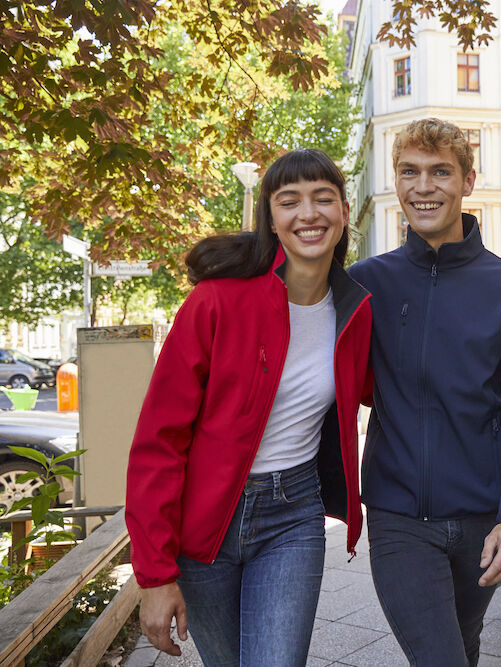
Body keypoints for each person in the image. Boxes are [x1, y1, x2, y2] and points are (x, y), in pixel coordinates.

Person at [125, 149, 372, 666]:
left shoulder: (356, 311)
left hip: (294, 515)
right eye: (290, 202)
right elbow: (158, 442)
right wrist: (154, 574)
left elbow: (401, 389)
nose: (308, 214)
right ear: (272, 219)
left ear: (344, 213)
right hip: (206, 524)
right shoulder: (216, 303)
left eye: (323, 199)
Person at [348, 118, 501, 666]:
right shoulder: (366, 284)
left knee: (462, 647)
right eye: (409, 172)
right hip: (398, 515)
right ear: (395, 182)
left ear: (467, 181)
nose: (424, 186)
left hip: (483, 518)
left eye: (440, 171)